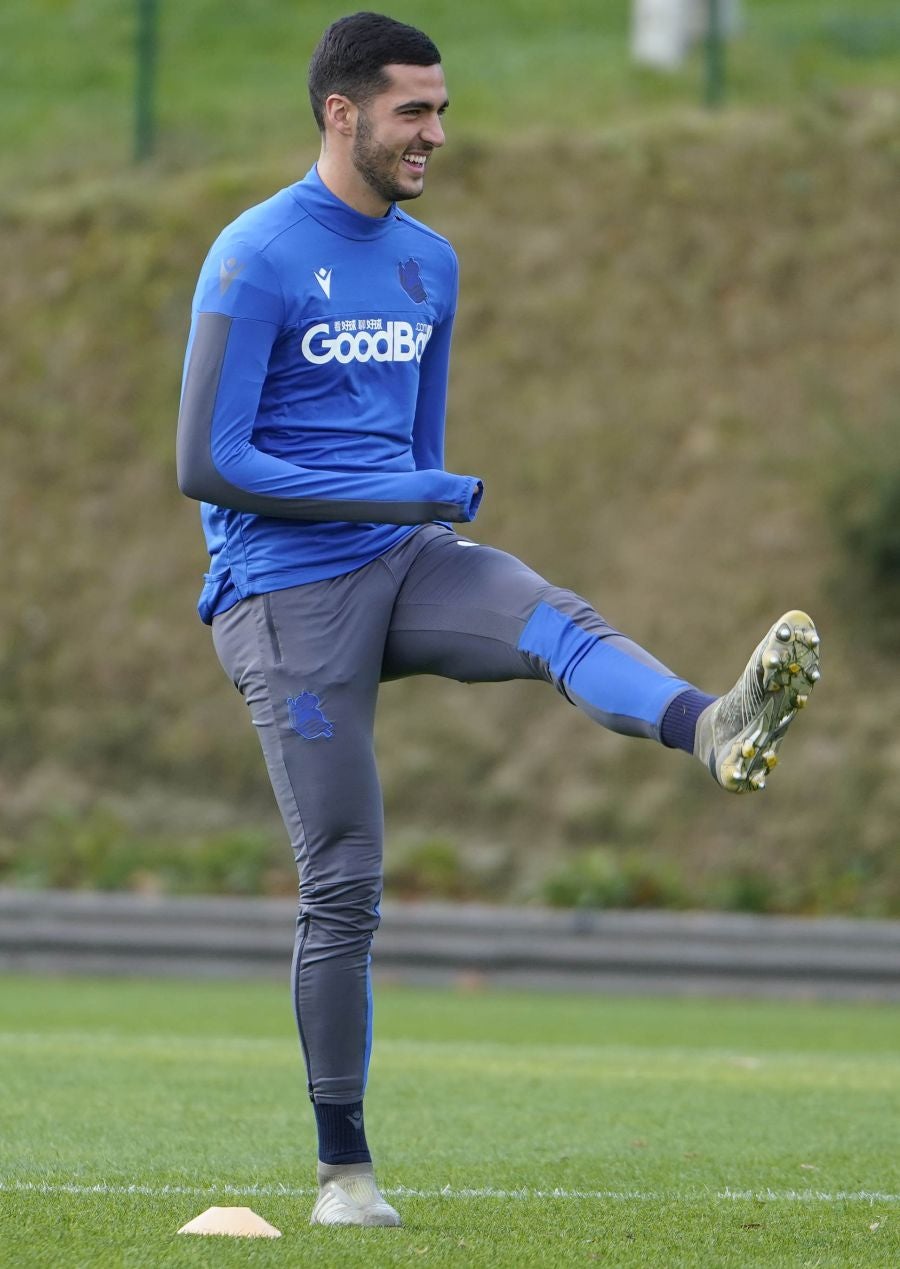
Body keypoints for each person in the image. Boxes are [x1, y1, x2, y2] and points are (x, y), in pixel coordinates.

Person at [176, 11, 820, 1228]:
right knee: (347, 884)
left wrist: (413, 506)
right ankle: (345, 1177)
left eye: (443, 110)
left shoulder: (432, 263)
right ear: (341, 113)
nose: (435, 132)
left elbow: (421, 461)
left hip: (406, 558)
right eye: (414, 110)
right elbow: (206, 462)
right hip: (279, 594)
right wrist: (400, 494)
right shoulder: (252, 255)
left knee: (550, 617)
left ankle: (712, 726)